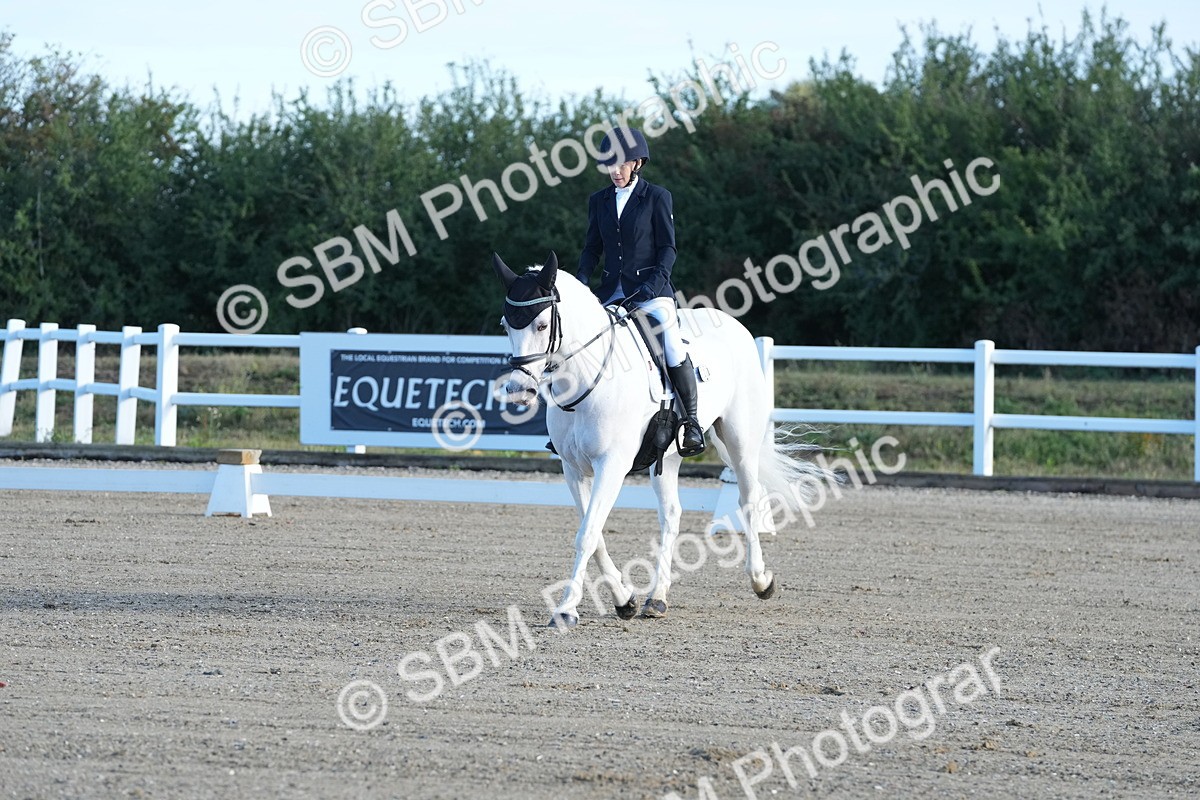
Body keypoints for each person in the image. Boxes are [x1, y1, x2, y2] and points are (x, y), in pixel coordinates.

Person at [576, 127, 705, 457]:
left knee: (672, 344)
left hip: (652, 291)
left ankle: (691, 422)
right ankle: (573, 423)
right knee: (581, 345)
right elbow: (592, 248)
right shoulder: (598, 201)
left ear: (636, 163)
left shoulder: (657, 196)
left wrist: (653, 284)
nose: (615, 172)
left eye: (620, 165)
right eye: (609, 166)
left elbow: (668, 249)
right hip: (611, 293)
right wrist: (579, 282)